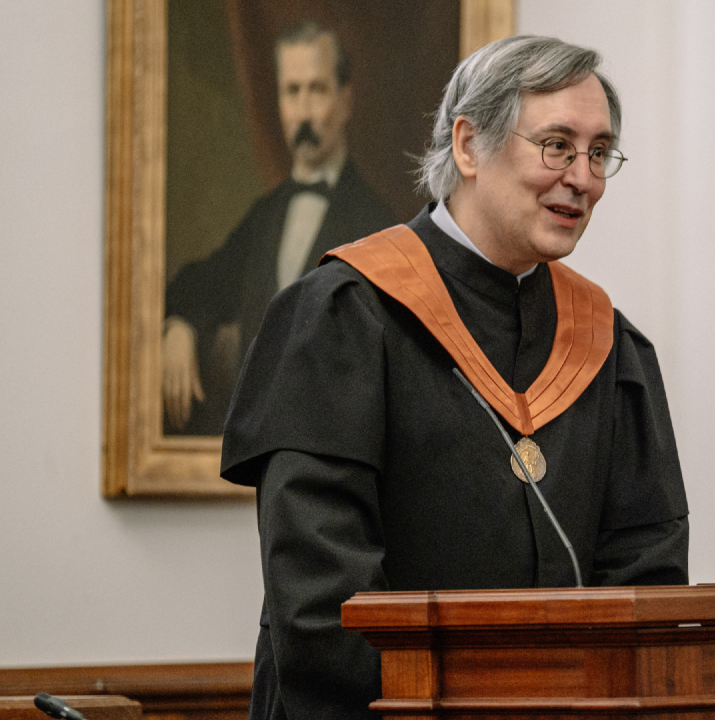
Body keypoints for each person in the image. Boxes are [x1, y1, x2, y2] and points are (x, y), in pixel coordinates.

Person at [222, 36, 690, 720]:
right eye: (557, 146)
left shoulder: (609, 346)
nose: (583, 178)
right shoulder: (345, 316)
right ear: (469, 145)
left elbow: (648, 579)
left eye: (598, 153)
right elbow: (323, 603)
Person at [163, 21, 395, 435]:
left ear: (345, 101)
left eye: (317, 90)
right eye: (292, 91)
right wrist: (181, 324)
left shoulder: (378, 227)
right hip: (254, 445)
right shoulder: (265, 217)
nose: (303, 112)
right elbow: (204, 282)